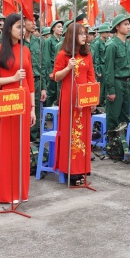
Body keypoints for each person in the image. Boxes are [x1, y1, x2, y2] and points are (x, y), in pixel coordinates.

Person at [0, 13, 36, 202]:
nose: (22, 30)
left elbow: (30, 81)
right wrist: (12, 79)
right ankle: (7, 192)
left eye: (23, 27)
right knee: (7, 148)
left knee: (21, 147)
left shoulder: (26, 50)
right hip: (6, 103)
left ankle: (21, 191)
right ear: (8, 29)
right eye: (18, 27)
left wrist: (32, 108)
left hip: (23, 103)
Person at [52, 21, 95, 185]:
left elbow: (91, 77)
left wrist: (93, 99)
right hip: (69, 98)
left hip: (84, 98)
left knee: (84, 133)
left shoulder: (87, 55)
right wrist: (68, 68)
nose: (85, 36)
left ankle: (83, 168)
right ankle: (71, 170)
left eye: (85, 33)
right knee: (71, 133)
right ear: (73, 36)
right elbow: (56, 77)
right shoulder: (63, 54)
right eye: (81, 33)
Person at [103, 15, 130, 162]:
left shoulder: (128, 44)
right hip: (116, 82)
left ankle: (124, 145)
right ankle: (113, 147)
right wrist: (110, 90)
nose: (129, 27)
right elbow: (108, 70)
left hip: (127, 82)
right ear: (117, 27)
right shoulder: (112, 45)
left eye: (129, 24)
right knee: (113, 115)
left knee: (124, 115)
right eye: (126, 24)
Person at [23, 15, 47, 143]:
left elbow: (42, 66)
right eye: (30, 21)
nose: (33, 23)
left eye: (34, 21)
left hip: (36, 81)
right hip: (22, 82)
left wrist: (43, 87)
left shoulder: (38, 41)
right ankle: (22, 141)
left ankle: (31, 143)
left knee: (35, 111)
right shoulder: (17, 41)